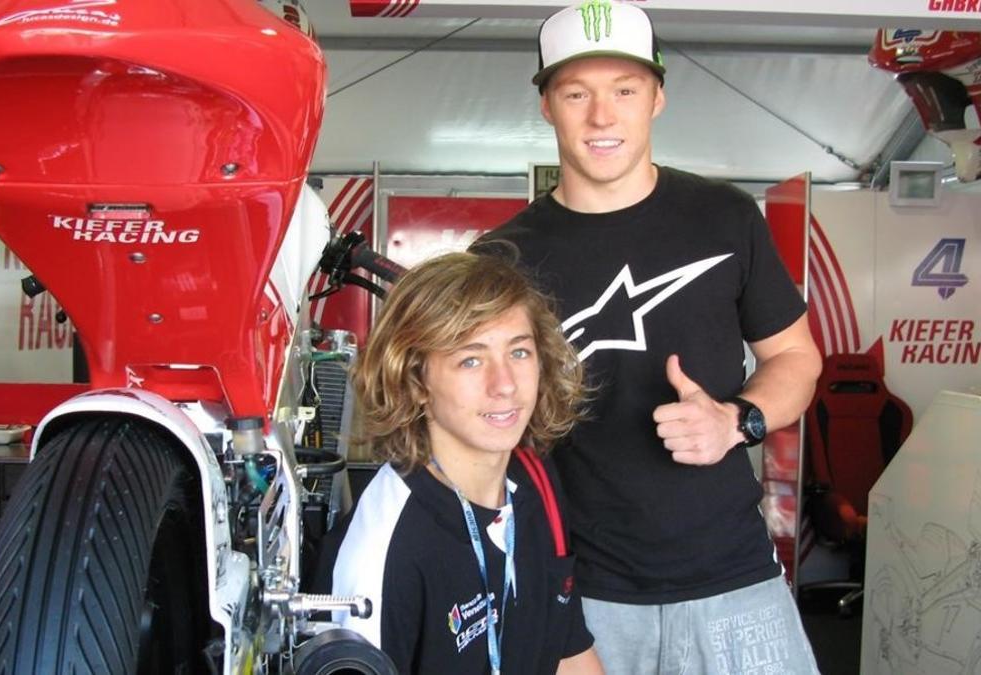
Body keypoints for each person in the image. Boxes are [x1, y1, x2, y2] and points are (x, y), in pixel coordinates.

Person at [469, 1, 825, 673]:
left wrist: (736, 419)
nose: (601, 117)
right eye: (577, 93)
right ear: (547, 105)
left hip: (736, 578)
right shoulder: (500, 260)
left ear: (657, 97)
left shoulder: (725, 218)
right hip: (584, 593)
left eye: (624, 90)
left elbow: (796, 357)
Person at [315, 252, 605, 674]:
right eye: (471, 359)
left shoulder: (535, 480)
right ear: (414, 381)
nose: (504, 384)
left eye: (519, 353)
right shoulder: (381, 552)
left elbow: (570, 652)